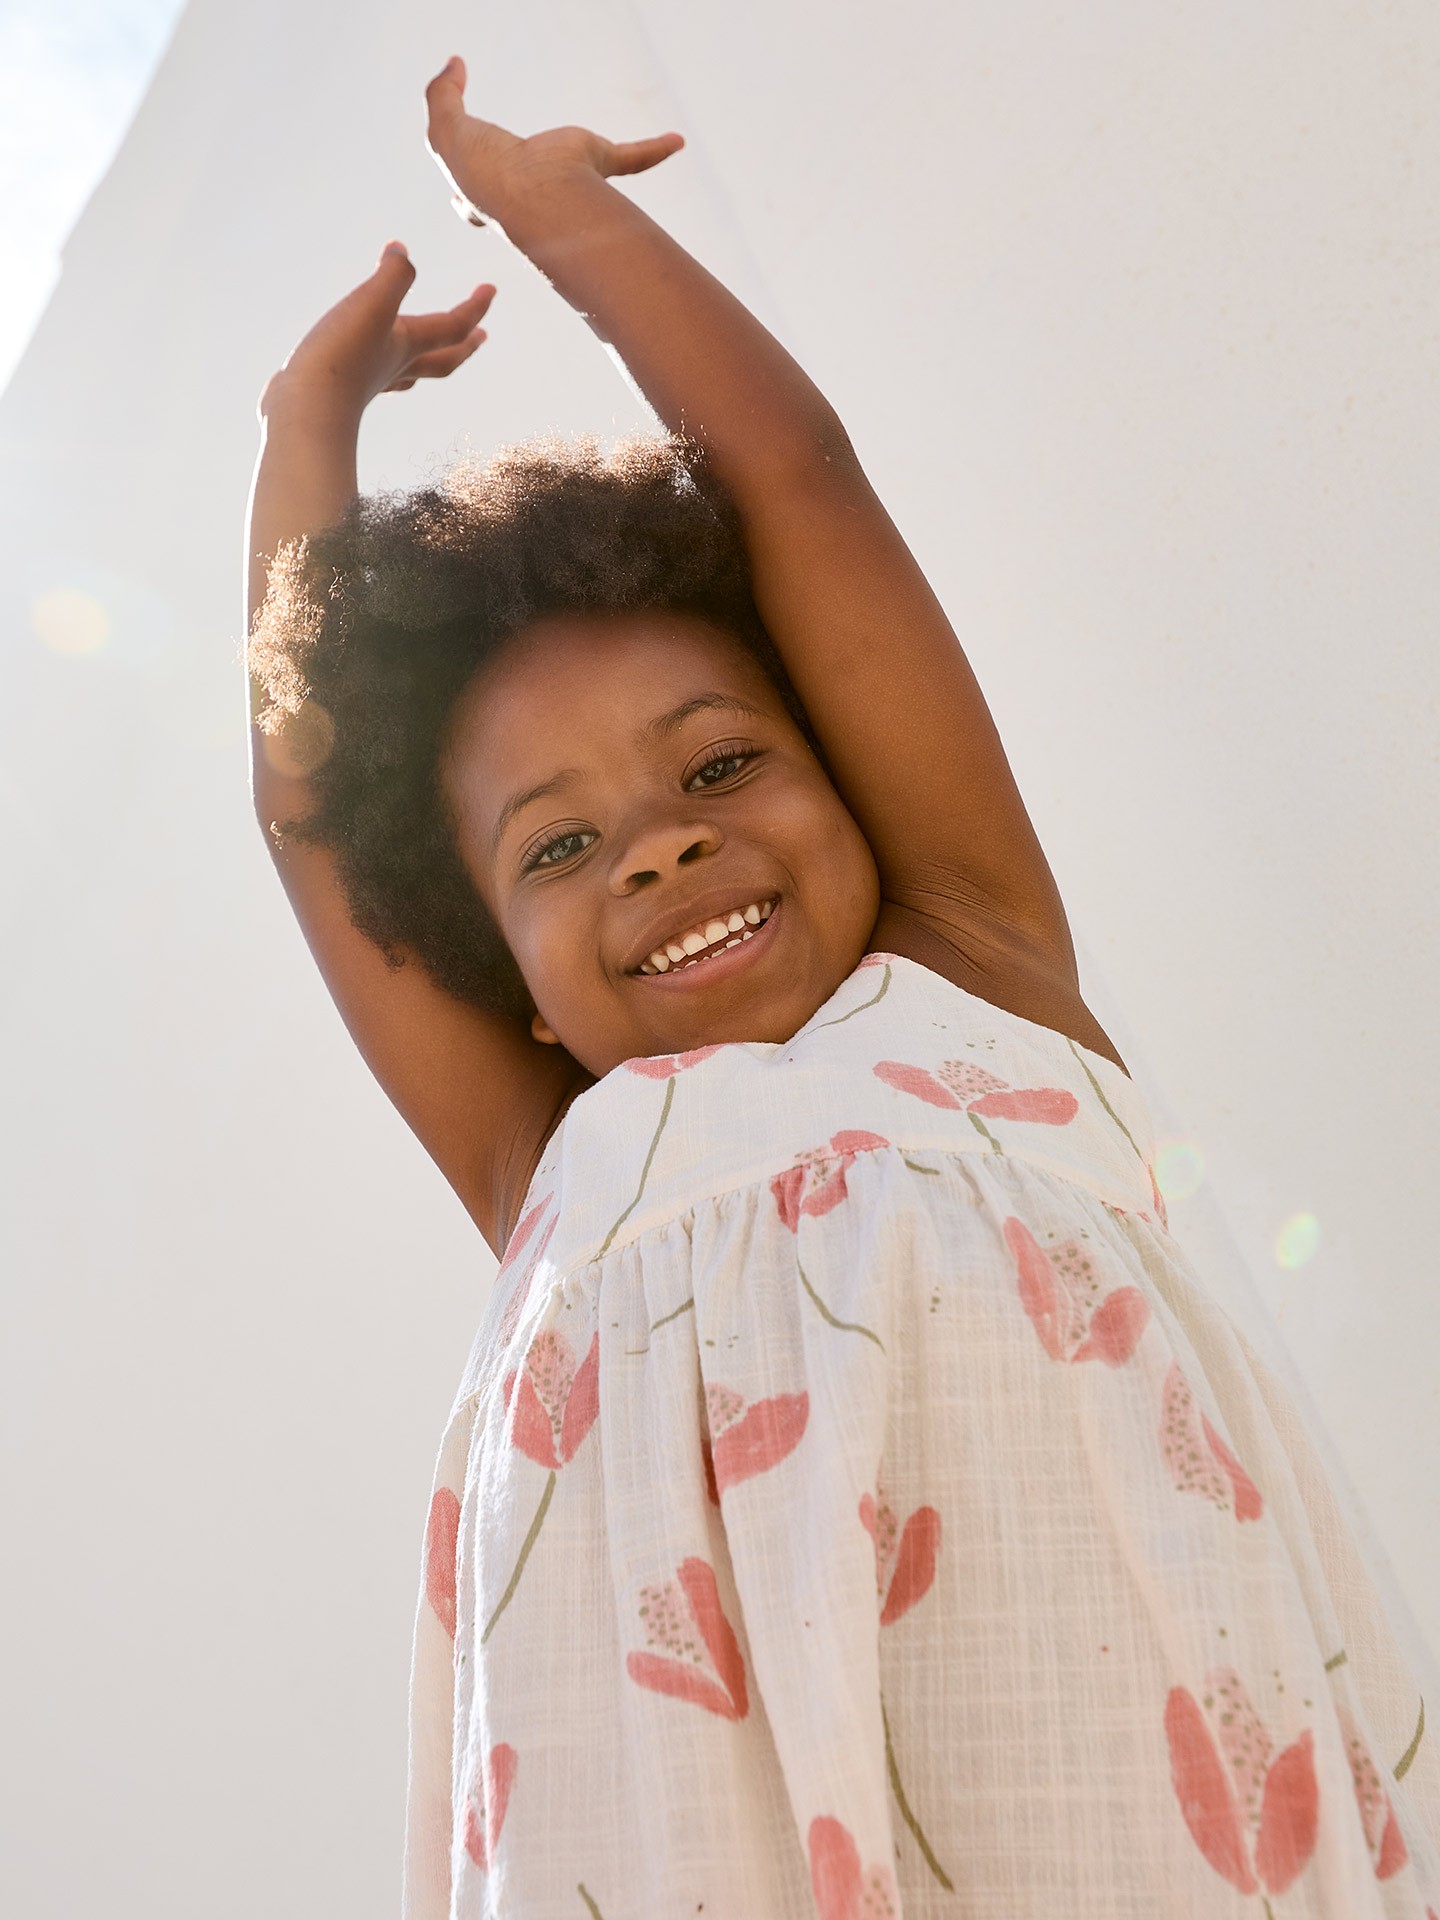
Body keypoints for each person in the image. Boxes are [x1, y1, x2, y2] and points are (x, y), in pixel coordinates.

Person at [245, 55, 1440, 1920]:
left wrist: (570, 219)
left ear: (854, 786)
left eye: (720, 769)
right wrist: (300, 435)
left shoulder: (976, 976)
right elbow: (311, 810)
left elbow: (795, 475)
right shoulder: (547, 1162)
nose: (653, 848)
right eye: (560, 852)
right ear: (516, 990)